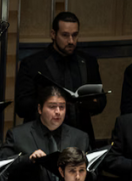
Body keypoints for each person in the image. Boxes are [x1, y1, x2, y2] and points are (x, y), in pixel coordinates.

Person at [13, 11, 106, 140]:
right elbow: (22, 107)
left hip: (80, 136)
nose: (71, 41)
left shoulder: (88, 62)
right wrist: (48, 102)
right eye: (65, 35)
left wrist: (89, 103)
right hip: (43, 137)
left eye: (75, 35)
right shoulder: (32, 64)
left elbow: (101, 101)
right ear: (53, 34)